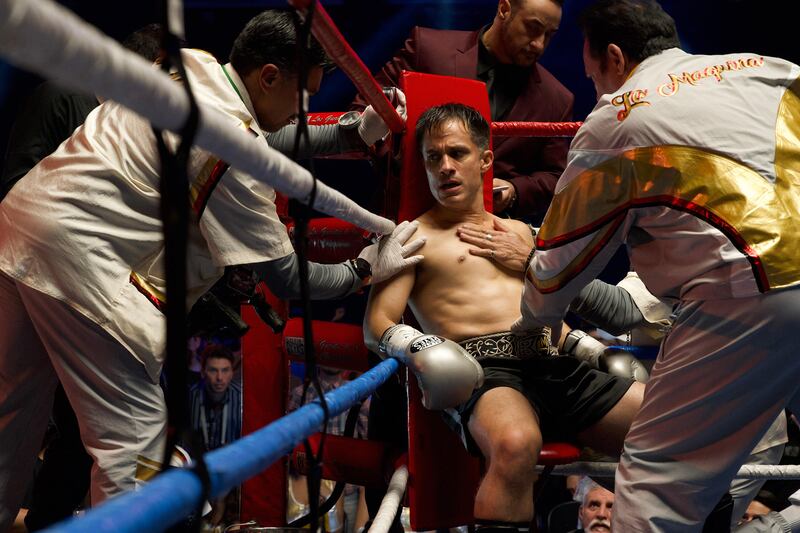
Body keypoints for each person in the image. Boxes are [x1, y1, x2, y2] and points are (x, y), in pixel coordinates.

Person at [0, 10, 419, 531]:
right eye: (302, 95)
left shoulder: (190, 66)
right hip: (85, 263)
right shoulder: (234, 155)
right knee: (134, 443)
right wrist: (364, 268)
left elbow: (259, 137)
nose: (303, 110)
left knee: (11, 413)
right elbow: (287, 277)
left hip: (22, 227)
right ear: (268, 76)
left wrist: (355, 132)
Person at [513, 0, 800, 530]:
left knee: (652, 489)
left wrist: (532, 327)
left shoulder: (617, 116)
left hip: (752, 291)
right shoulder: (766, 68)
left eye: (594, 74)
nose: (597, 89)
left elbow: (555, 271)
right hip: (756, 285)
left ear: (615, 58)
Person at [363, 103, 644, 533]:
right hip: (484, 373)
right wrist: (420, 346)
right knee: (515, 445)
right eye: (433, 158)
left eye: (457, 153)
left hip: (553, 362)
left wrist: (583, 345)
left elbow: (542, 308)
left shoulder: (518, 232)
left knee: (669, 424)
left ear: (486, 160)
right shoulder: (412, 235)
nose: (445, 167)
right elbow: (376, 323)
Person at [353, 0, 573, 220]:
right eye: (533, 28)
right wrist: (401, 165)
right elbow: (365, 110)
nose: (539, 44)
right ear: (504, 9)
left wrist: (515, 191)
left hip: (484, 236)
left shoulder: (555, 98)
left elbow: (556, 176)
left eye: (549, 35)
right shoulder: (429, 48)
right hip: (404, 219)